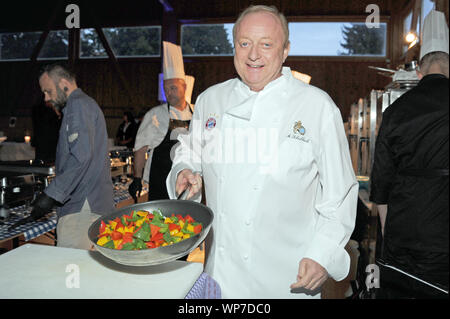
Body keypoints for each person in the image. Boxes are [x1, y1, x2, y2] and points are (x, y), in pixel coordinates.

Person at [166, 5, 358, 299]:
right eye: (245, 43)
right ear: (235, 46)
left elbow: (340, 194)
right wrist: (184, 171)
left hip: (288, 279)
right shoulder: (210, 100)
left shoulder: (317, 107)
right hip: (221, 276)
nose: (253, 55)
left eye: (266, 45)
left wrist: (323, 254)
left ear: (285, 51)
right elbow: (188, 152)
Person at [370, 10, 449, 299]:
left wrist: (390, 237)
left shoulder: (394, 112)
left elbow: (381, 187)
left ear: (419, 73)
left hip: (405, 234)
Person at [33, 63, 114, 250]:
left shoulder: (77, 105)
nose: (46, 98)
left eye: (48, 91)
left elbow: (81, 157)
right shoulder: (86, 104)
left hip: (82, 208)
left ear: (63, 84)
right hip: (93, 203)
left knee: (70, 273)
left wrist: (50, 195)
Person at [128, 41, 194, 202]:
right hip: (161, 182)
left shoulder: (198, 112)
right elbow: (140, 149)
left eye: (173, 88)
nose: (168, 93)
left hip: (190, 181)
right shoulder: (155, 115)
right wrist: (137, 178)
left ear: (184, 86)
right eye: (166, 88)